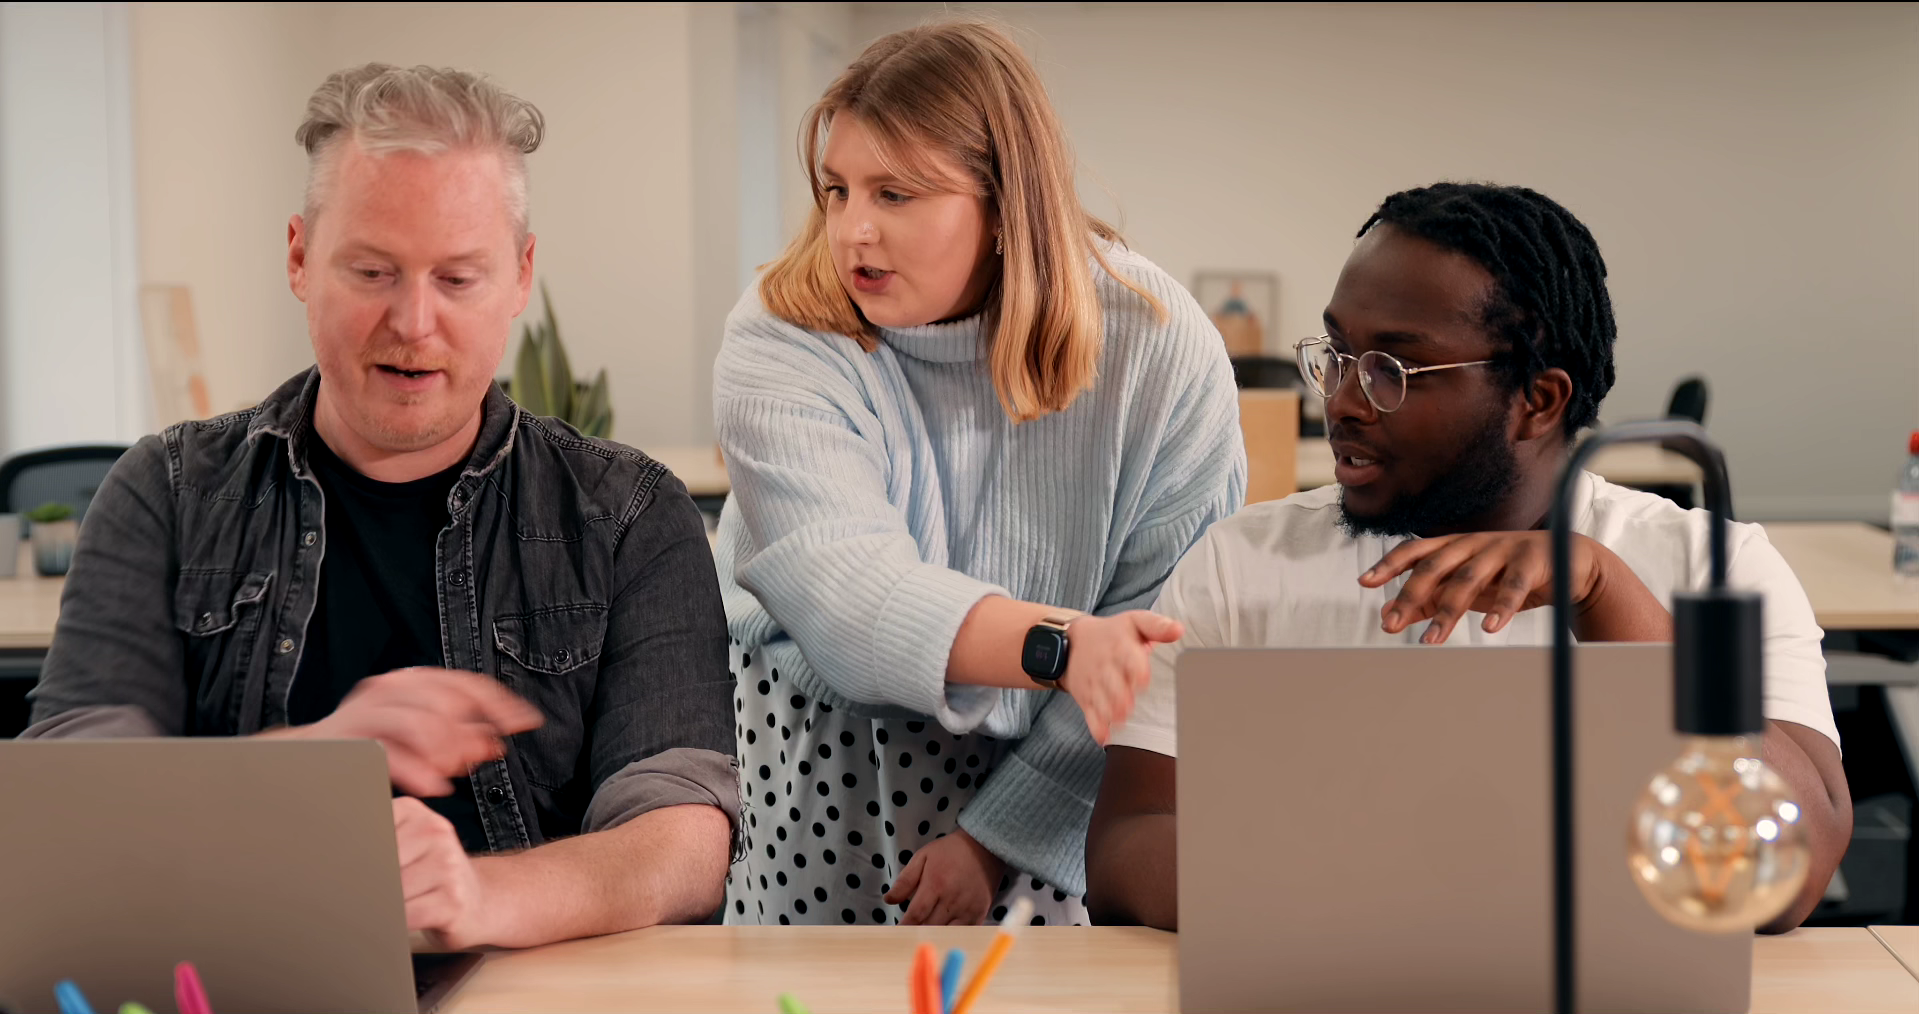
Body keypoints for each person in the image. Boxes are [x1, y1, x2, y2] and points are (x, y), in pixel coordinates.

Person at [22, 64, 740, 949]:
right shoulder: (166, 492)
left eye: (458, 279)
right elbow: (69, 805)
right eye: (371, 270)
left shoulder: (628, 512)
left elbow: (681, 838)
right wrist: (312, 762)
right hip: (223, 969)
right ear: (298, 257)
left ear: (520, 277)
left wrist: (474, 901)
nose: (412, 321)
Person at [1086, 182, 1852, 933]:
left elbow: (1793, 873)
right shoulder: (1240, 565)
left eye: (1392, 370)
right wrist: (1377, 889)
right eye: (1339, 355)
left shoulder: (1710, 567)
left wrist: (1604, 594)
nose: (1344, 401)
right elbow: (1124, 850)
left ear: (1539, 400)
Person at [713, 20, 1245, 927]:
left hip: (1059, 774)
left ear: (1006, 204)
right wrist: (1064, 646)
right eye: (836, 190)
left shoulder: (1158, 347)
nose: (853, 230)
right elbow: (850, 593)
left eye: (896, 193)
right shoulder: (779, 332)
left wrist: (998, 839)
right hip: (824, 767)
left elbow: (1148, 643)